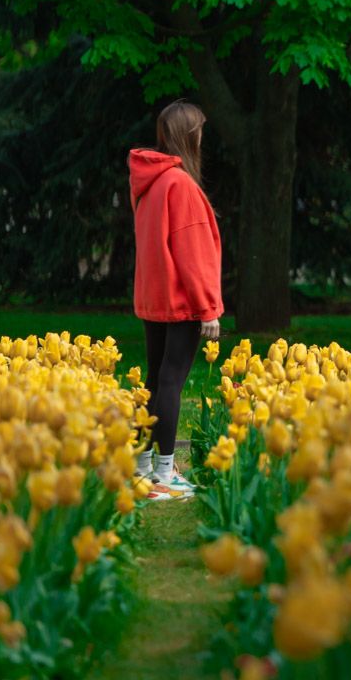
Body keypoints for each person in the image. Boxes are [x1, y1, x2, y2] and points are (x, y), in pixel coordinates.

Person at [128, 100, 223, 501]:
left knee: (154, 379)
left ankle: (142, 467)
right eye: (199, 129)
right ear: (190, 135)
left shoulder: (150, 184)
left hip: (154, 297)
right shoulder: (180, 185)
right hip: (180, 301)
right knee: (170, 381)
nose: (203, 136)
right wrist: (209, 308)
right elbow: (193, 251)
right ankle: (166, 474)